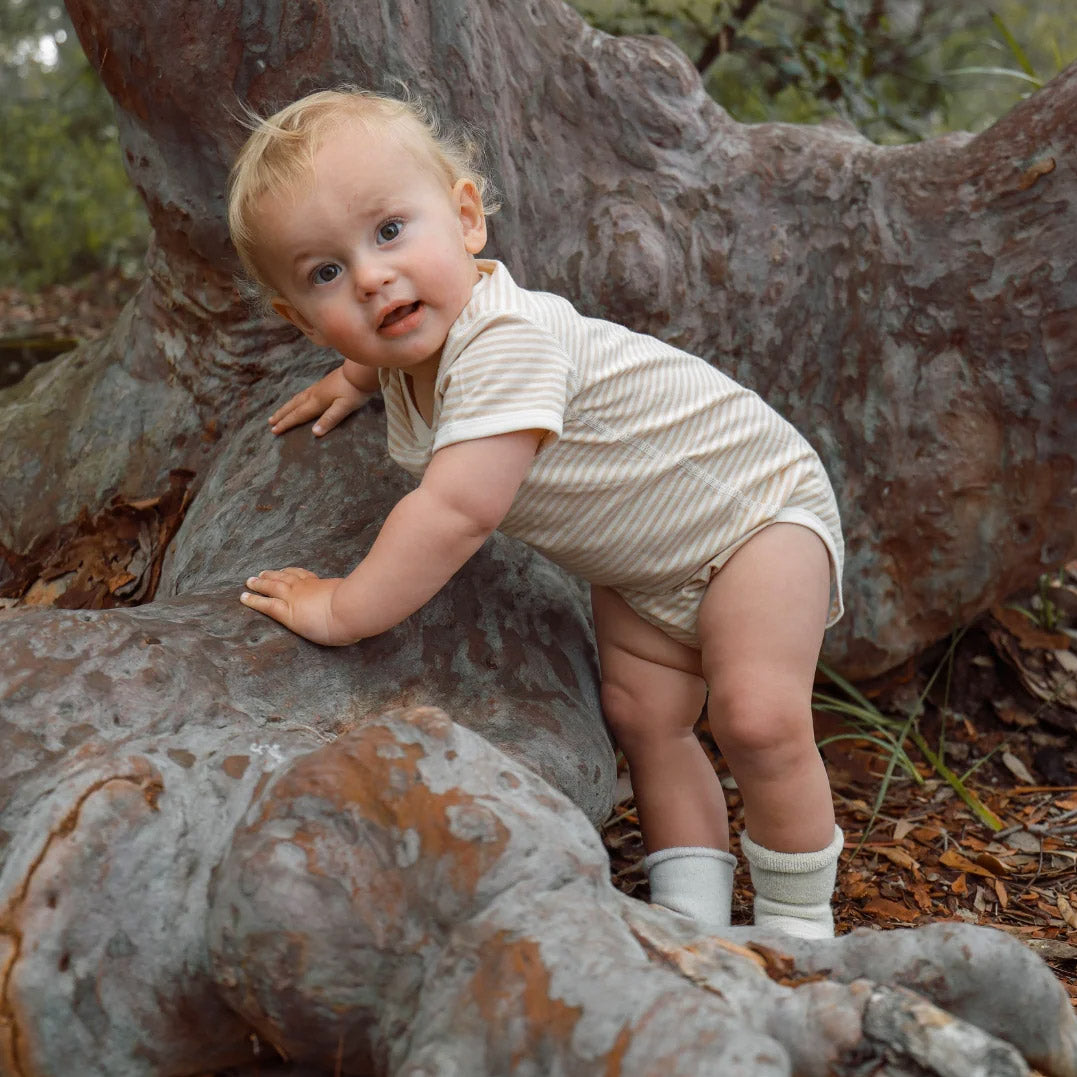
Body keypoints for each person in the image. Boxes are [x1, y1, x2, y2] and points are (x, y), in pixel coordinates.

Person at [228, 87, 846, 939]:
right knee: (644, 719)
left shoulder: (506, 342)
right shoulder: (418, 353)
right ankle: (687, 924)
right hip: (642, 558)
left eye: (390, 231)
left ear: (466, 219)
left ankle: (797, 931)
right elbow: (387, 350)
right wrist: (354, 375)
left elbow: (454, 511)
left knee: (757, 716)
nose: (372, 276)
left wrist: (342, 607)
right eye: (327, 273)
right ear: (301, 319)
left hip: (751, 512)